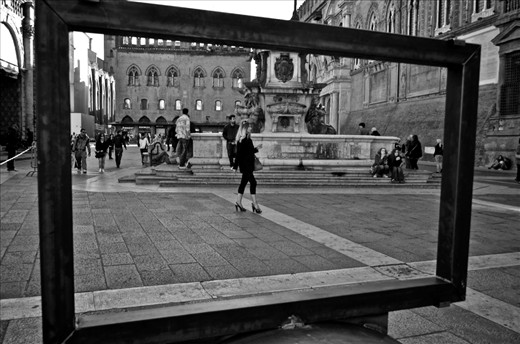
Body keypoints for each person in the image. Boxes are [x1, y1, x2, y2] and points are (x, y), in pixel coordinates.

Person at [233, 120, 263, 214]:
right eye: (249, 126)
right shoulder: (242, 139)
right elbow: (239, 154)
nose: (250, 128)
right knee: (253, 182)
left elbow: (248, 152)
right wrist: (235, 166)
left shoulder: (247, 138)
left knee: (243, 183)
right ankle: (255, 204)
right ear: (245, 128)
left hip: (248, 164)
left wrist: (256, 149)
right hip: (245, 165)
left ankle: (238, 202)